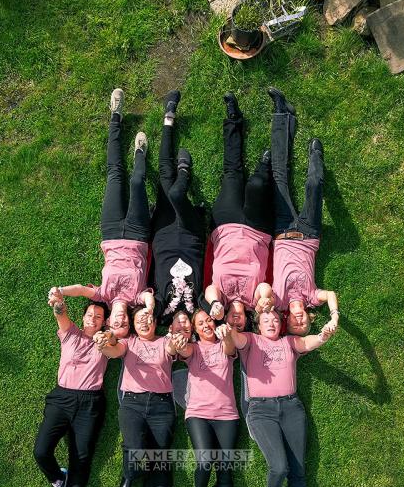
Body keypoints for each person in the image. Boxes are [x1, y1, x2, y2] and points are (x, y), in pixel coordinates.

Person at [227, 309, 336, 487]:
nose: (272, 322)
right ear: (258, 325)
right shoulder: (251, 341)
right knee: (279, 467)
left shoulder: (289, 342)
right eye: (266, 320)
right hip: (261, 410)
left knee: (298, 472)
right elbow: (235, 337)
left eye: (276, 319)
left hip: (291, 408)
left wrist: (324, 335)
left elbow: (310, 341)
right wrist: (227, 327)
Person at [58, 88, 155, 338]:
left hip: (111, 233)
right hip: (137, 234)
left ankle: (115, 117)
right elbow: (149, 299)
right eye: (124, 325)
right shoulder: (138, 297)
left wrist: (60, 291)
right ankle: (140, 153)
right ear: (129, 323)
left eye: (115, 324)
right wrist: (149, 308)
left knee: (114, 175)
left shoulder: (103, 295)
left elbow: (81, 290)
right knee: (135, 182)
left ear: (108, 320)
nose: (120, 321)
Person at [94, 308, 187, 487]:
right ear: (133, 325)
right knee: (135, 448)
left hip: (161, 406)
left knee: (160, 458)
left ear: (155, 322)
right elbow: (113, 351)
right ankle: (129, 474)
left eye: (148, 319)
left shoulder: (165, 341)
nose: (145, 323)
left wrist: (176, 342)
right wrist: (103, 343)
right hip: (133, 404)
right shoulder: (129, 342)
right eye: (139, 320)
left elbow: (172, 349)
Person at [33, 295, 110, 487]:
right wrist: (57, 302)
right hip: (62, 398)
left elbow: (115, 342)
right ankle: (58, 480)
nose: (93, 318)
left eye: (99, 317)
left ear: (103, 322)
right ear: (83, 317)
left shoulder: (106, 340)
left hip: (90, 403)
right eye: (90, 314)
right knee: (41, 451)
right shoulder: (70, 333)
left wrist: (107, 337)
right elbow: (60, 313)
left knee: (81, 460)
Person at [268, 88, 340, 336]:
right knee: (313, 185)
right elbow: (330, 294)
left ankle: (282, 114)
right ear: (310, 319)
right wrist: (333, 316)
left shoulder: (277, 302)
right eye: (305, 325)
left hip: (282, 230)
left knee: (278, 175)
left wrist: (264, 304)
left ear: (287, 321)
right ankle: (316, 154)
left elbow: (262, 301)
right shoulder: (312, 297)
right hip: (309, 234)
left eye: (294, 326)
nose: (299, 322)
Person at [204, 91, 275, 331]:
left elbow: (209, 289)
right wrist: (266, 299)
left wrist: (215, 303)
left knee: (232, 172)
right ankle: (265, 166)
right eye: (240, 323)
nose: (235, 320)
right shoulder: (255, 303)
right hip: (257, 229)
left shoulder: (220, 300)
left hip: (225, 225)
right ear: (247, 320)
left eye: (231, 323)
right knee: (256, 185)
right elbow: (265, 289)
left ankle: (233, 117)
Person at [176, 311, 242, 487]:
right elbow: (183, 351)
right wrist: (180, 343)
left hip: (227, 415)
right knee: (205, 460)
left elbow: (229, 348)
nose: (206, 325)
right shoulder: (193, 349)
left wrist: (226, 335)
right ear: (194, 329)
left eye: (209, 321)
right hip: (198, 414)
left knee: (226, 470)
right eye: (200, 323)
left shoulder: (226, 343)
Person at [150, 90, 207, 325]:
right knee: (174, 192)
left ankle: (168, 118)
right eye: (187, 327)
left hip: (163, 233)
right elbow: (213, 303)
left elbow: (148, 308)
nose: (182, 323)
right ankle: (184, 173)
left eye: (178, 327)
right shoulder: (199, 310)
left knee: (165, 174)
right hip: (191, 234)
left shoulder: (160, 313)